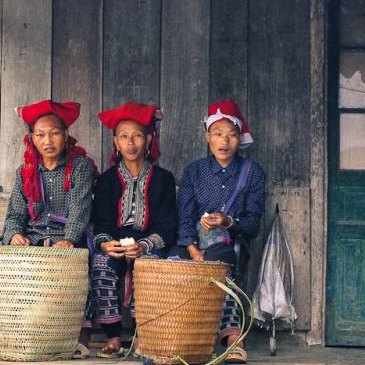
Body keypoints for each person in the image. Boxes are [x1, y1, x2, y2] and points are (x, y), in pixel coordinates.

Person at [0, 100, 97, 360]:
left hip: (66, 238)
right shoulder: (25, 171)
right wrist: (14, 234)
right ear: (32, 139)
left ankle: (78, 338)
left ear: (66, 135)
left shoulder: (79, 167)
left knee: (75, 268)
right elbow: (15, 213)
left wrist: (70, 239)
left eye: (54, 132)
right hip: (34, 239)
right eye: (40, 134)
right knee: (2, 267)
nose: (48, 140)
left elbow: (80, 209)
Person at [169, 100, 265, 364]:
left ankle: (233, 337)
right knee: (173, 263)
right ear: (207, 137)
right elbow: (184, 216)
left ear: (240, 138)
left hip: (229, 243)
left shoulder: (252, 173)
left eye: (232, 135)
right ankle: (178, 336)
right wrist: (191, 248)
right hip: (191, 243)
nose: (225, 141)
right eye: (218, 134)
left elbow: (253, 224)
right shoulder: (195, 171)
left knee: (222, 264)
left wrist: (228, 221)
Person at [91, 102, 178, 358]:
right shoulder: (107, 181)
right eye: (124, 136)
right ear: (115, 141)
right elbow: (102, 221)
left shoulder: (164, 180)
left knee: (149, 267)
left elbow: (168, 225)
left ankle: (143, 335)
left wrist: (144, 246)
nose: (131, 143)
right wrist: (106, 243)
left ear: (149, 139)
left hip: (149, 243)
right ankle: (114, 336)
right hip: (116, 242)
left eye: (138, 135)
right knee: (100, 264)